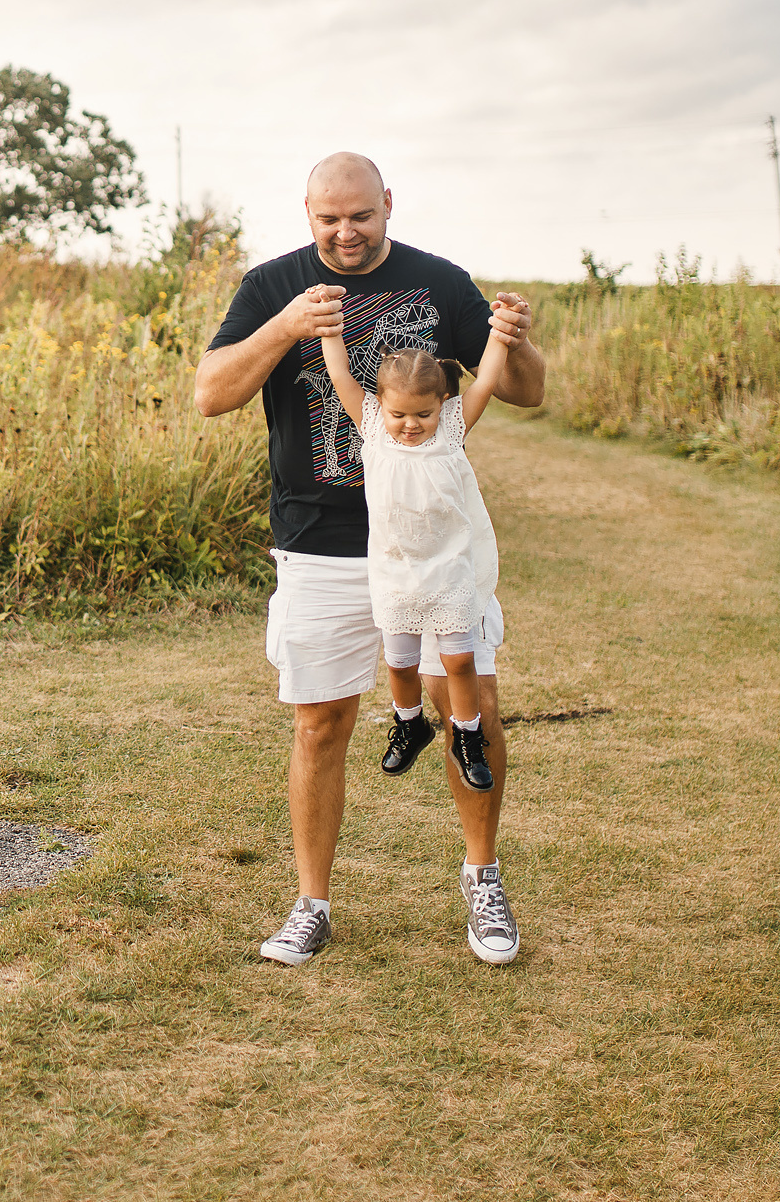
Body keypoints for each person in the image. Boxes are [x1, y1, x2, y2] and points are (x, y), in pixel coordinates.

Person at [194, 153, 544, 967]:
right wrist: (285, 326)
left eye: (361, 215)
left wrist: (514, 340)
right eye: (330, 220)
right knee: (320, 723)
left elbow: (525, 390)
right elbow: (211, 394)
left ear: (388, 203)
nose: (346, 232)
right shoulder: (273, 284)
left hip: (432, 551)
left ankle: (483, 878)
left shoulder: (439, 281)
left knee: (471, 701)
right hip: (319, 544)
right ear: (307, 213)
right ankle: (311, 904)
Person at [311, 317, 508, 796]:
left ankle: (468, 736)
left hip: (449, 570)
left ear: (444, 403)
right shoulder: (374, 431)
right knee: (400, 664)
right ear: (380, 405)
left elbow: (485, 381)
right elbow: (339, 375)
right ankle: (410, 723)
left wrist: (500, 336)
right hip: (395, 570)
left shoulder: (450, 431)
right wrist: (330, 332)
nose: (410, 424)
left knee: (459, 661)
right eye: (398, 413)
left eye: (423, 413)